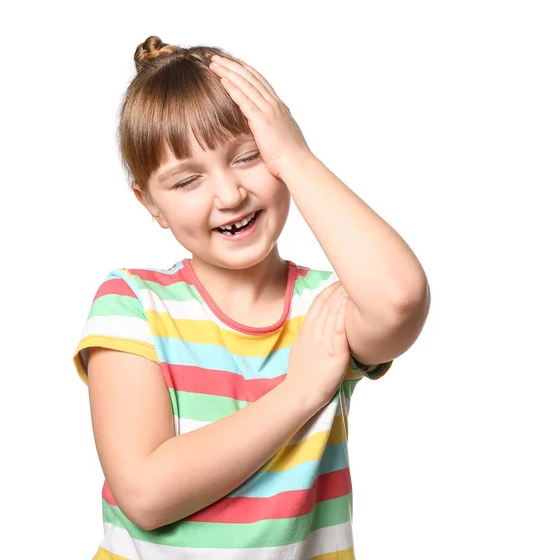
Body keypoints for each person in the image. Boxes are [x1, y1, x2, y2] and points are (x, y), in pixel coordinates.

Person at [72, 35, 430, 560]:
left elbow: (399, 299)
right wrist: (300, 392)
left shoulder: (324, 306)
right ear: (149, 203)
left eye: (250, 157)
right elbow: (146, 495)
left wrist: (295, 156)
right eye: (188, 180)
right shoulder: (133, 304)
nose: (229, 194)